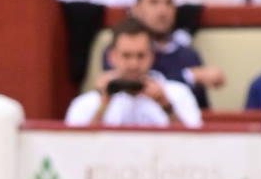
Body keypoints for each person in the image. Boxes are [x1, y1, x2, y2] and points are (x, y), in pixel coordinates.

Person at [103, 0, 223, 108]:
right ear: (136, 9)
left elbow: (199, 109)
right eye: (154, 2)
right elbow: (129, 85)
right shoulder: (121, 48)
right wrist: (190, 76)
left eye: (168, 3)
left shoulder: (189, 55)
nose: (162, 10)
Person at [68, 16, 203, 127]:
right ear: (111, 56)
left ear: (152, 56)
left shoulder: (178, 93)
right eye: (126, 55)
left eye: (141, 56)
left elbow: (194, 146)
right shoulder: (86, 103)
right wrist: (103, 105)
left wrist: (166, 106)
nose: (134, 64)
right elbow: (78, 150)